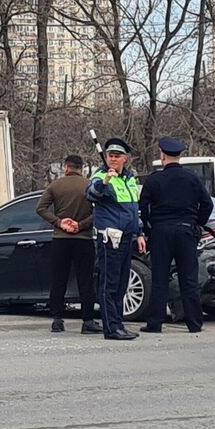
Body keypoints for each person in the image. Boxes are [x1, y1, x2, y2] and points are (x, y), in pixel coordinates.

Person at [139, 136, 214, 334]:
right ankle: (194, 323)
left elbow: (143, 208)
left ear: (162, 156)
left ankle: (155, 323)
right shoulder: (192, 178)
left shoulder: (154, 180)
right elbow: (208, 204)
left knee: (160, 278)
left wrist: (148, 230)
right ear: (180, 156)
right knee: (188, 278)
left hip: (161, 231)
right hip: (186, 230)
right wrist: (197, 223)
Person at [85, 138, 144, 341]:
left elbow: (134, 210)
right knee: (108, 283)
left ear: (125, 159)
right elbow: (91, 195)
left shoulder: (129, 179)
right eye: (110, 155)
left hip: (127, 237)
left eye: (117, 156)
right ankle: (111, 328)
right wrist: (105, 182)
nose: (113, 159)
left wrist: (140, 233)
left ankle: (118, 323)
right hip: (110, 238)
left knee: (121, 284)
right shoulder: (101, 176)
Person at [36, 155, 101, 334]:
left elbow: (40, 209)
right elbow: (99, 212)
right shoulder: (89, 185)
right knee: (85, 280)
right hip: (83, 239)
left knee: (59, 279)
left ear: (66, 167)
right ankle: (88, 320)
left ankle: (57, 319)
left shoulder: (55, 186)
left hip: (60, 239)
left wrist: (59, 222)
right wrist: (81, 225)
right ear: (81, 168)